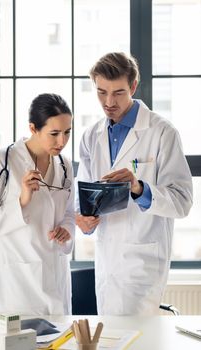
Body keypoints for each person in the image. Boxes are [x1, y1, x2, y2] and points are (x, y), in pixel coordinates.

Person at [75, 52, 193, 315]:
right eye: (101, 92)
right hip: (107, 258)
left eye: (118, 92)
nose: (108, 102)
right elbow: (81, 194)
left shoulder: (162, 132)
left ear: (133, 86)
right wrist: (81, 217)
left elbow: (182, 202)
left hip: (143, 261)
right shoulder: (91, 136)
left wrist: (139, 188)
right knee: (109, 338)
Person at [0, 93, 75, 317]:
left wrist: (67, 231)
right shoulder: (0, 163)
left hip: (56, 281)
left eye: (67, 132)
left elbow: (68, 212)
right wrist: (22, 201)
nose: (62, 141)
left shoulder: (64, 165)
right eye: (54, 133)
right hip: (18, 289)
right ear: (33, 128)